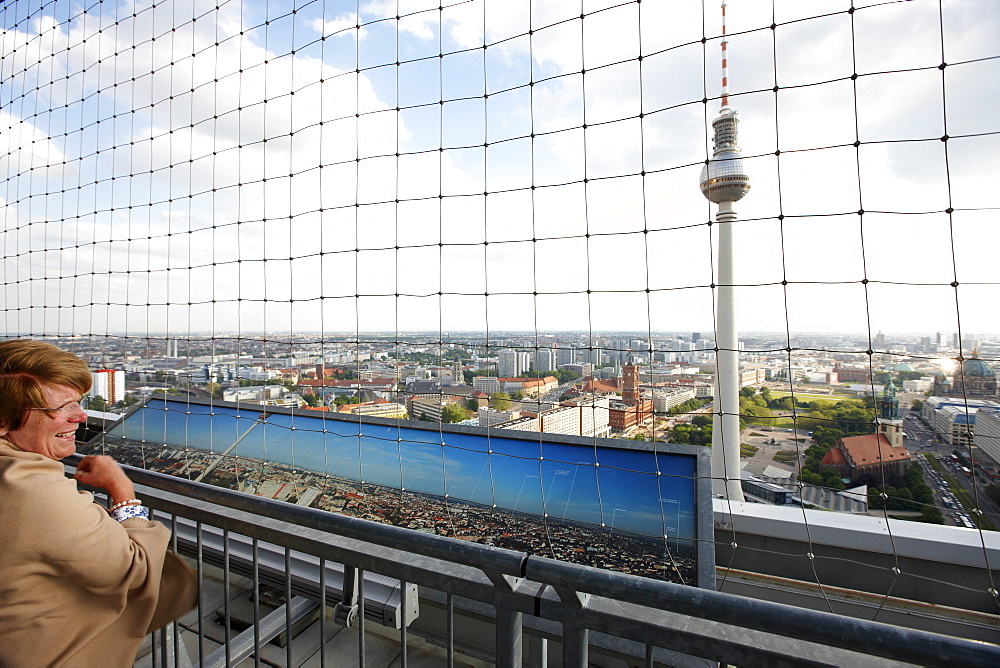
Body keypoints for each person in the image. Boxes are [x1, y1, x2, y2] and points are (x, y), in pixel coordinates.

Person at [0, 339, 198, 666]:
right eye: (60, 407)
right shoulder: (34, 493)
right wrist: (121, 489)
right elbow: (136, 572)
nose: (79, 416)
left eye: (78, 402)